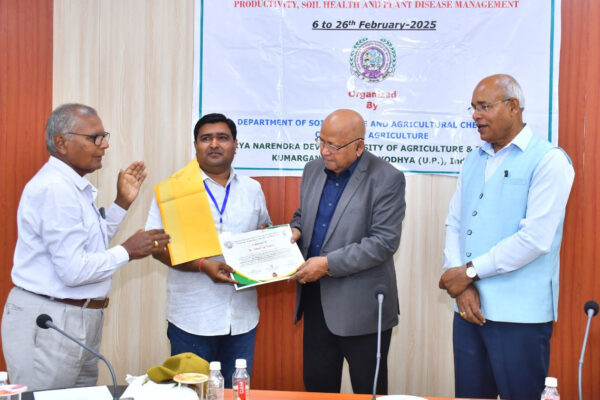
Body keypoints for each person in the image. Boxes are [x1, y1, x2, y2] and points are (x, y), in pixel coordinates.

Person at [1, 103, 170, 391]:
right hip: (50, 318)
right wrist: (128, 250)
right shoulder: (55, 189)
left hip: (78, 318)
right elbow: (74, 270)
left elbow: (91, 247)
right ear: (61, 142)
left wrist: (121, 204)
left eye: (103, 136)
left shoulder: (72, 186)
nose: (105, 145)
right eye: (95, 138)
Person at [438, 74, 575, 400]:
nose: (475, 115)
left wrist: (468, 272)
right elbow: (455, 223)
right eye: (473, 108)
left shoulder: (550, 160)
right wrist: (462, 284)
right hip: (469, 310)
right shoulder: (474, 159)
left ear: (513, 106)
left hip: (520, 319)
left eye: (484, 106)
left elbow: (534, 239)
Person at [145, 113, 271, 387]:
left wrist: (269, 246)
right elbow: (155, 246)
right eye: (206, 138)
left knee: (236, 391)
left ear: (235, 144)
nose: (214, 144)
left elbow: (264, 233)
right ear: (196, 145)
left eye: (222, 138)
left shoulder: (252, 189)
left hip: (242, 318)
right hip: (192, 318)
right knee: (191, 392)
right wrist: (202, 265)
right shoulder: (173, 190)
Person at [289, 109, 406, 394]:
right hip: (316, 301)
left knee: (368, 391)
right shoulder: (312, 169)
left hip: (361, 308)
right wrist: (296, 229)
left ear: (359, 147)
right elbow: (304, 214)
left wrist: (327, 264)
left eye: (334, 145)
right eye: (321, 141)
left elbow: (383, 242)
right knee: (317, 388)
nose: (325, 151)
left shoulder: (387, 178)